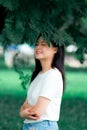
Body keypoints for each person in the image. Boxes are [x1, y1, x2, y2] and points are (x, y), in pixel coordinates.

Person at [20, 34, 65, 130]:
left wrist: (24, 112)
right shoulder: (38, 75)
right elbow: (24, 106)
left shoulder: (53, 75)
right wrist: (23, 112)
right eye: (37, 44)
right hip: (29, 126)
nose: (38, 47)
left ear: (55, 50)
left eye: (43, 44)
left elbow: (38, 111)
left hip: (43, 126)